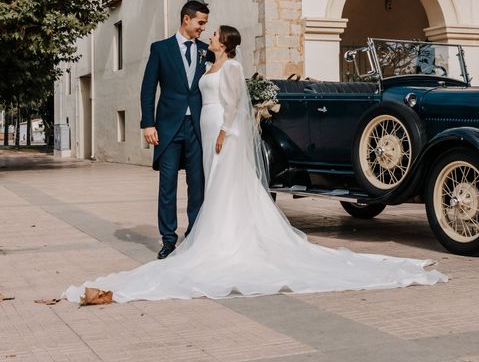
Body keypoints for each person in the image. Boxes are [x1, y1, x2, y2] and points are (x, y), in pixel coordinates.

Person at [63, 26, 447, 303]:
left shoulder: (228, 68)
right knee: (209, 185)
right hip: (199, 125)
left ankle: (217, 239)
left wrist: (224, 131)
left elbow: (233, 104)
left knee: (223, 185)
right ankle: (192, 236)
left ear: (225, 44)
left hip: (218, 129)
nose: (207, 36)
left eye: (213, 34)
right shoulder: (205, 62)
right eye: (204, 28)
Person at [139, 0, 212, 259]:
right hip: (168, 127)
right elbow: (148, 89)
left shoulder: (208, 50)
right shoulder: (160, 49)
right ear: (186, 19)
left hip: (198, 127)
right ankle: (168, 239)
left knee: (197, 183)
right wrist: (148, 123)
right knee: (167, 184)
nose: (203, 28)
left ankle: (194, 234)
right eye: (201, 23)